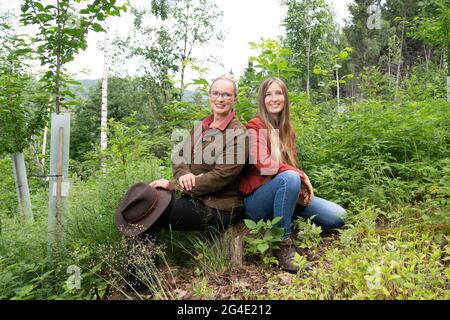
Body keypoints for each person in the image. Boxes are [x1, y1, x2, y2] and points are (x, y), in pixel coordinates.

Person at [116, 75, 247, 238]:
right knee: (145, 198)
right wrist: (185, 175)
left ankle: (140, 262)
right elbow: (179, 156)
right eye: (215, 93)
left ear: (235, 98)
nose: (220, 99)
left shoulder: (238, 134)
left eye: (226, 95)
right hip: (193, 195)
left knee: (150, 209)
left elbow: (220, 177)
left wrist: (174, 185)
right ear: (209, 96)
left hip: (218, 206)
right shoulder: (202, 125)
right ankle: (142, 260)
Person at [239, 77, 345, 273]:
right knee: (290, 177)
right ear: (262, 100)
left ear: (285, 97)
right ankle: (283, 246)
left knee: (338, 216)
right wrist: (300, 175)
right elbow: (263, 165)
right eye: (268, 94)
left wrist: (300, 190)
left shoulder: (288, 130)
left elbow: (288, 166)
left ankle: (286, 213)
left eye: (278, 93)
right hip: (257, 202)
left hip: (285, 194)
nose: (274, 98)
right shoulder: (255, 126)